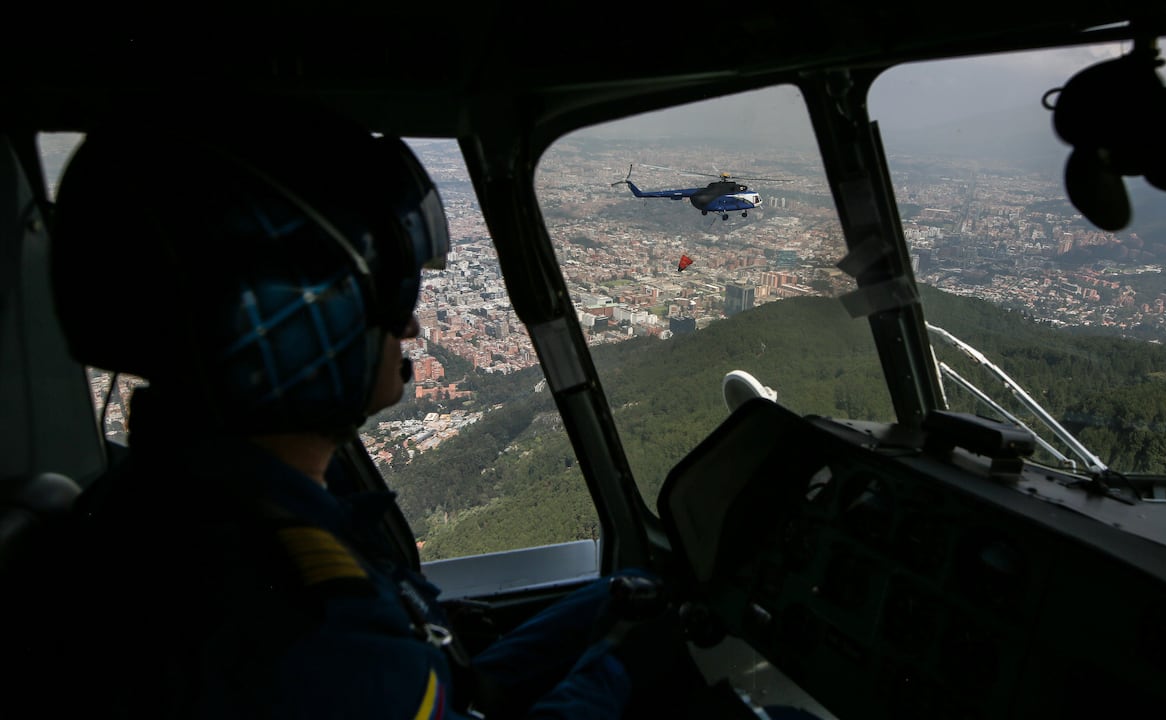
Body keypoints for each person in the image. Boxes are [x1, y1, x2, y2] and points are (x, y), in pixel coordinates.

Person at [32, 96, 695, 719]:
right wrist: (620, 668)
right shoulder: (310, 625)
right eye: (388, 294)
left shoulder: (172, 508)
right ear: (300, 314)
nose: (409, 328)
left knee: (618, 594)